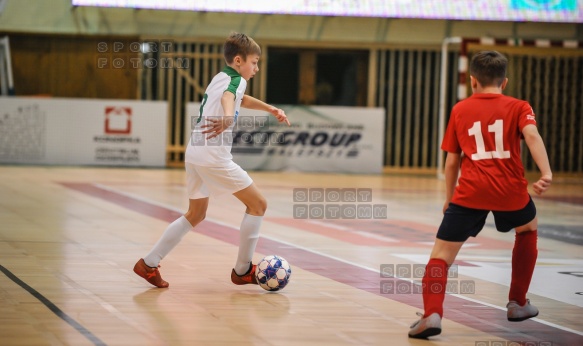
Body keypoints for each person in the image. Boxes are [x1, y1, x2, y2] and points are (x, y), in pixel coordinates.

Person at [408, 50, 552, 339]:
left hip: (470, 192)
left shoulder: (460, 109)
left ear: (472, 81)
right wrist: (545, 172)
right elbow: (533, 135)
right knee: (527, 229)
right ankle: (517, 302)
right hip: (510, 191)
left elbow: (451, 161)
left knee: (441, 256)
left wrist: (449, 197)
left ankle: (432, 314)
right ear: (505, 81)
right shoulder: (519, 106)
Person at [133, 32, 290, 288]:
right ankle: (242, 271)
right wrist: (228, 117)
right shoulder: (236, 80)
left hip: (195, 153)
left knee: (196, 213)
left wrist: (269, 108)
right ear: (239, 60)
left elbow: (238, 97)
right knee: (258, 204)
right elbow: (230, 99)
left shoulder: (222, 76)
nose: (257, 68)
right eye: (255, 62)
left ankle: (148, 264)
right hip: (213, 157)